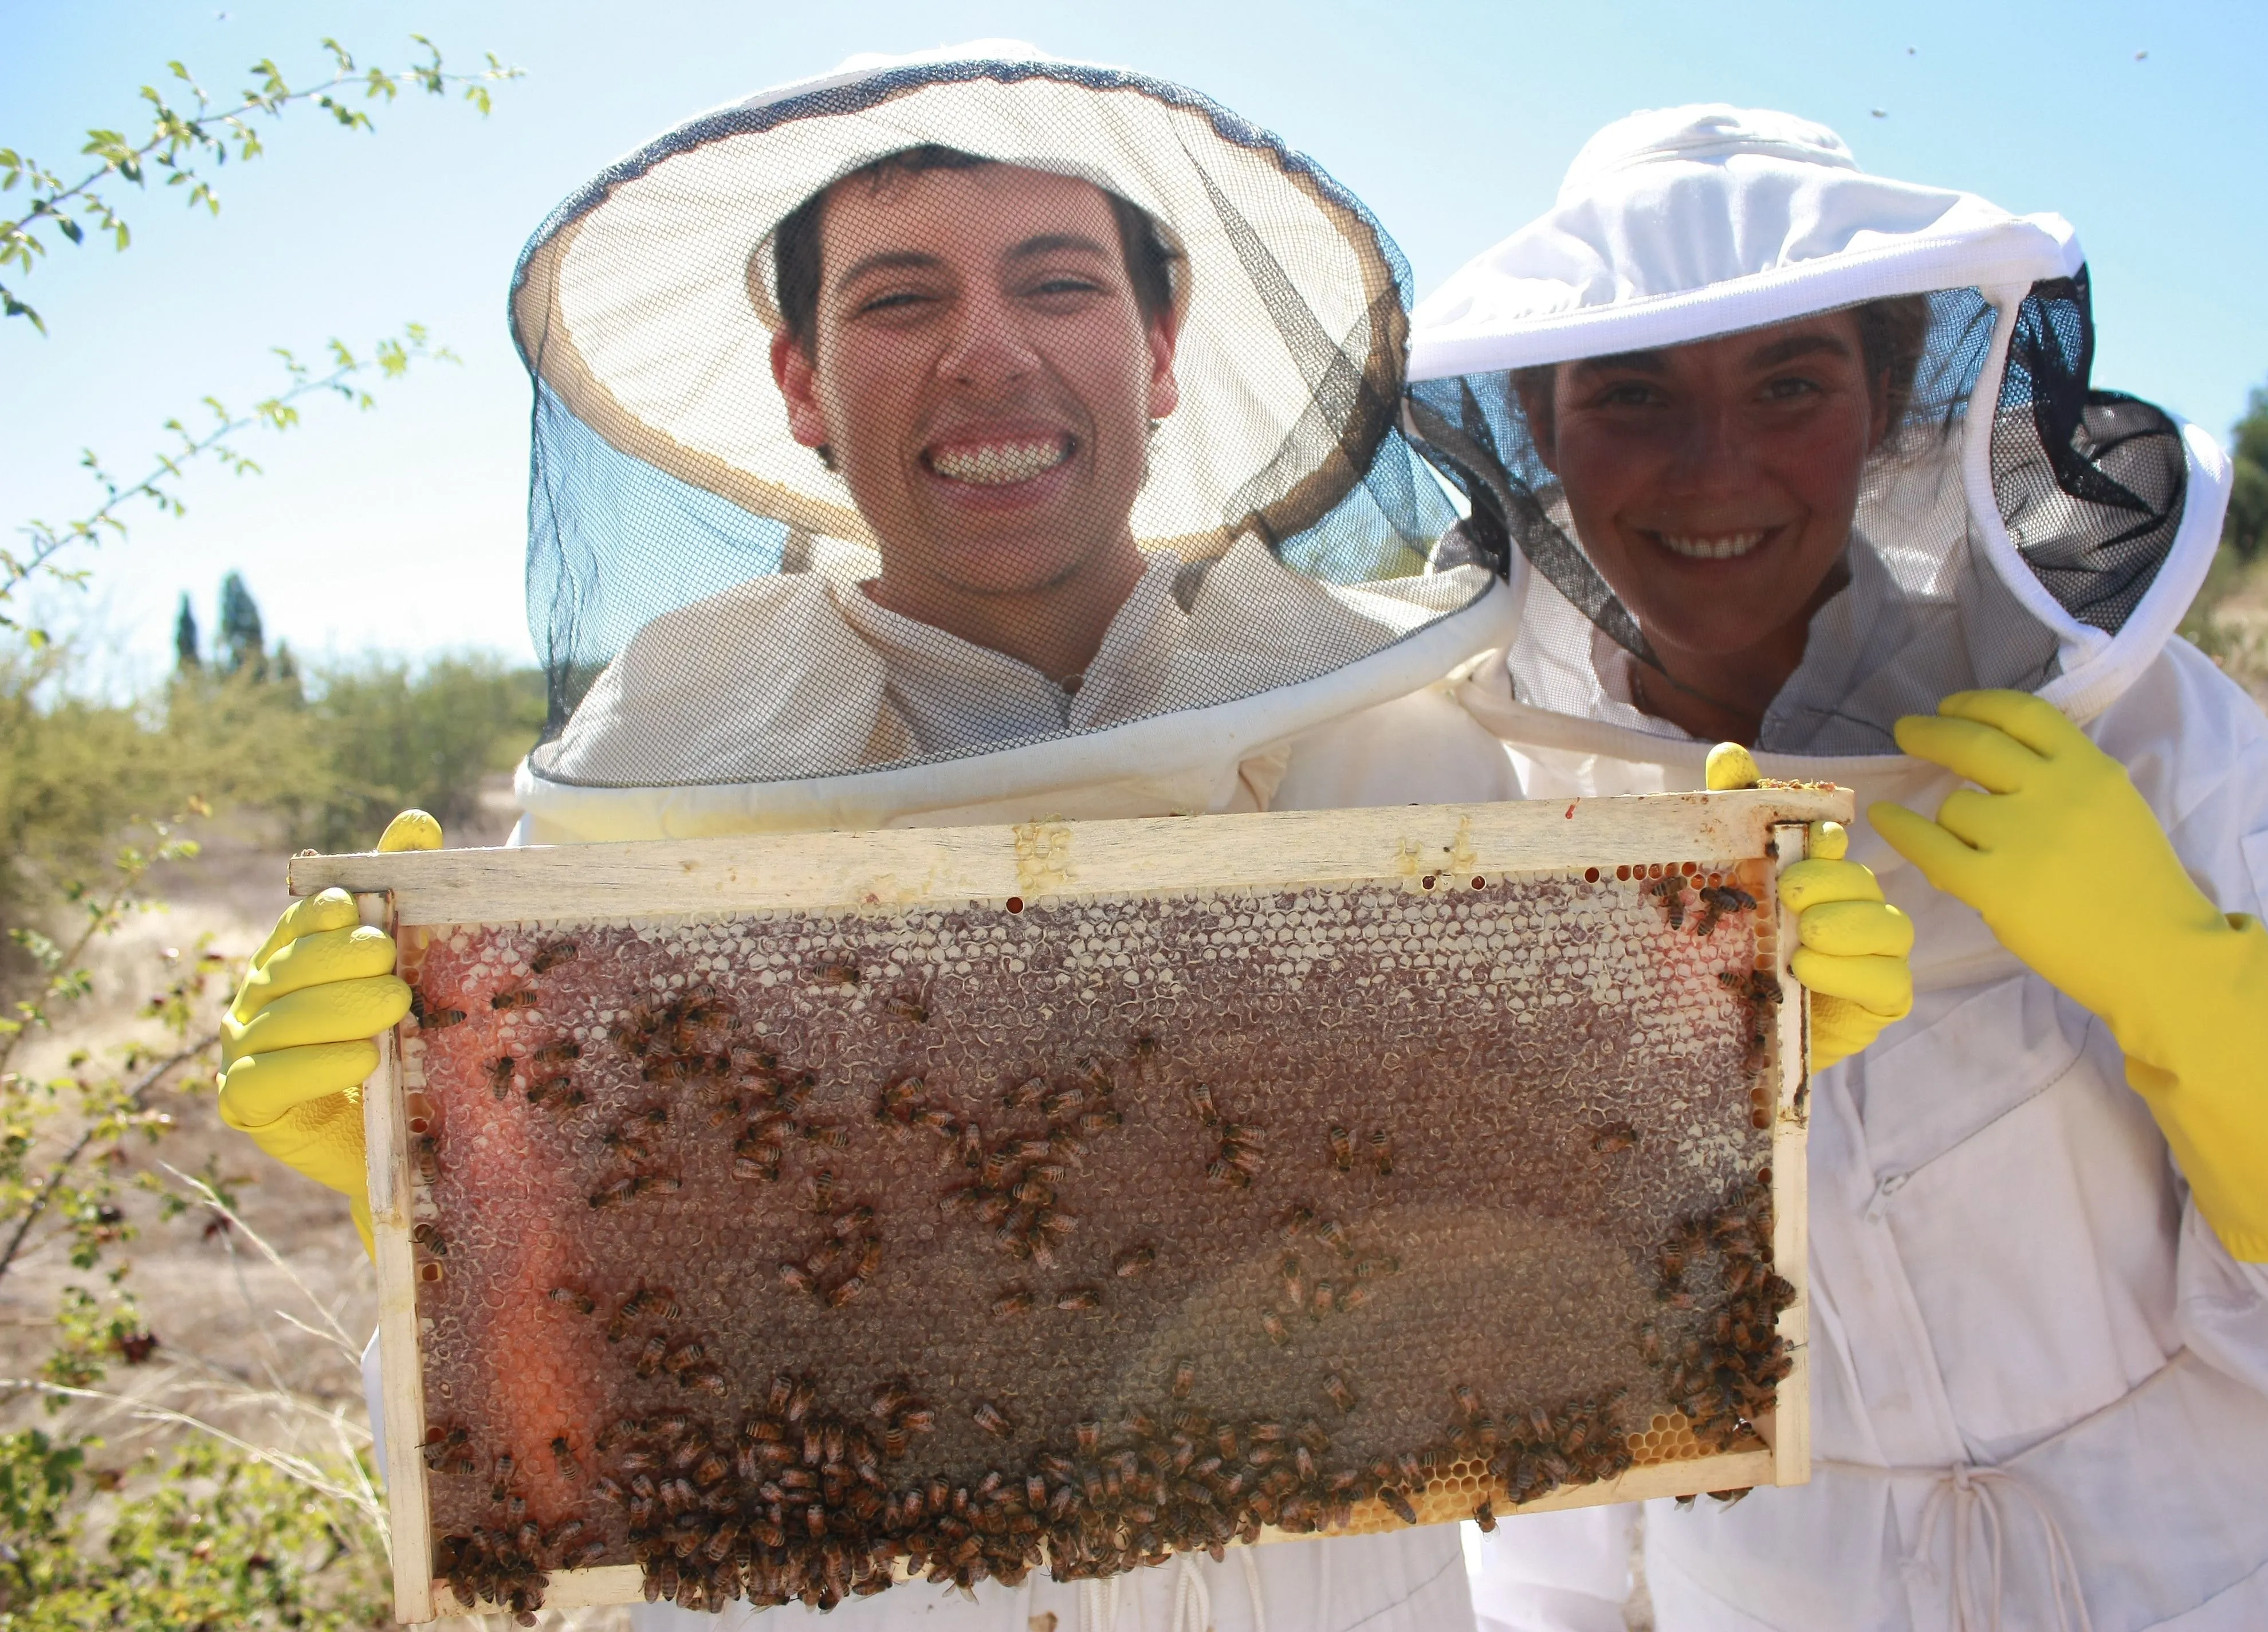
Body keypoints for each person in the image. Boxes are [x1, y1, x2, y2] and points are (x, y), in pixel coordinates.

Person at [215, 42, 1524, 1632]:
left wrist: (1738, 1062)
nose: (990, 355)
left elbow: (1551, 1293)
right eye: (900, 301)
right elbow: (549, 1510)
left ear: (1162, 351)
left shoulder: (1401, 744)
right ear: (801, 386)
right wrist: (437, 1222)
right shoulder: (659, 781)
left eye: (1058, 285)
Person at [1406, 106, 2268, 1631]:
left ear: (1891, 399)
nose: (1716, 467)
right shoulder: (1476, 805)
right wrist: (1679, 1122)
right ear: (1536, 429)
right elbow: (1531, 1444)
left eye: (1791, 379)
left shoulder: (2143, 723)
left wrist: (2181, 980)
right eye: (1629, 393)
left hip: (2240, 1573)